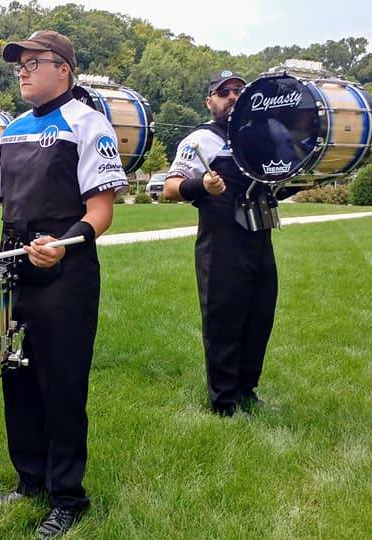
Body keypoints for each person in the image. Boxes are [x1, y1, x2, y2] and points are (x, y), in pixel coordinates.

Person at [0, 31, 128, 538]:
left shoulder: (88, 124)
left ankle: (68, 497)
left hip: (65, 271)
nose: (23, 72)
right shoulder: (13, 129)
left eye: (34, 63)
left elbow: (101, 211)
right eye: (20, 66)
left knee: (62, 384)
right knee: (17, 377)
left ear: (64, 69)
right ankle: (28, 479)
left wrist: (65, 244)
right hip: (15, 268)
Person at [162, 70, 276, 417]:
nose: (232, 97)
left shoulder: (258, 136)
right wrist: (202, 187)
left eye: (238, 90)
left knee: (259, 318)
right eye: (223, 92)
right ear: (209, 101)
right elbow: (170, 188)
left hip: (260, 238)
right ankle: (224, 401)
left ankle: (247, 391)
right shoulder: (200, 139)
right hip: (222, 245)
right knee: (224, 322)